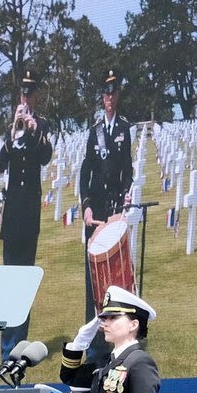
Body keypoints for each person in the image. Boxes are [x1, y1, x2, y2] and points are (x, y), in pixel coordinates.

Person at [77, 71, 135, 317]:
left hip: (114, 209)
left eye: (113, 93)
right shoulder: (95, 131)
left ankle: (116, 329)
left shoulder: (124, 128)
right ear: (102, 98)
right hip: (97, 208)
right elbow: (85, 173)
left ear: (118, 95)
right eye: (105, 93)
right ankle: (93, 331)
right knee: (94, 275)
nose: (109, 98)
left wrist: (126, 195)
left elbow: (127, 170)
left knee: (115, 272)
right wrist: (86, 206)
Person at [0, 75, 49, 273]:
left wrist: (34, 132)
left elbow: (45, 157)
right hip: (13, 206)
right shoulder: (11, 128)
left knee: (27, 267)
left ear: (35, 97)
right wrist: (10, 139)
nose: (25, 100)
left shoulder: (42, 125)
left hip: (30, 207)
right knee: (9, 265)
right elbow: (0, 165)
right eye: (22, 96)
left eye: (29, 96)